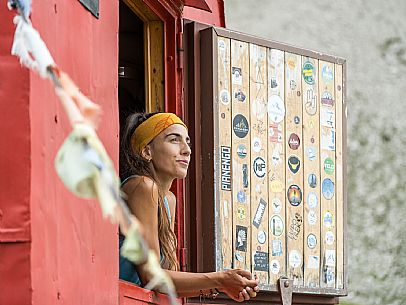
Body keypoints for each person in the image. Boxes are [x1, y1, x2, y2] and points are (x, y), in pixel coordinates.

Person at [119, 112, 259, 302]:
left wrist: (220, 285)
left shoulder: (168, 200)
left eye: (187, 142)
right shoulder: (141, 186)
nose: (187, 150)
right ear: (146, 151)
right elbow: (151, 277)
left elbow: (166, 284)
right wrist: (219, 278)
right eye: (174, 140)